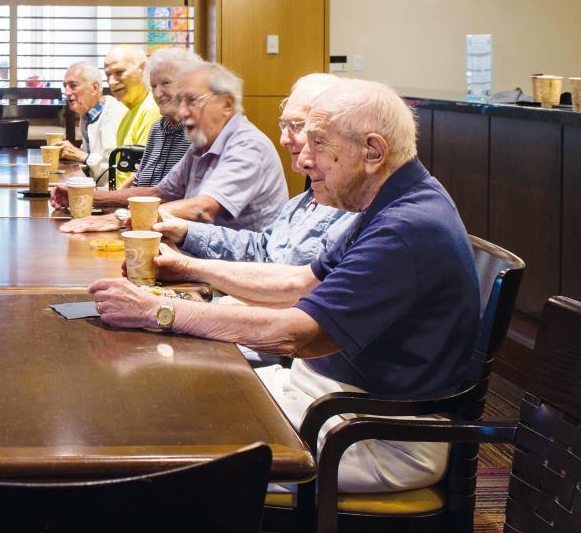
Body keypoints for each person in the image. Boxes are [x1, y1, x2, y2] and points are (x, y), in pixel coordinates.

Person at [88, 79, 481, 493]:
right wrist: (188, 268)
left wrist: (159, 311)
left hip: (374, 433)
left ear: (372, 152)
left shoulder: (405, 226)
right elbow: (298, 281)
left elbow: (298, 335)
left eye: (317, 144)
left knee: (170, 456)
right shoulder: (390, 201)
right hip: (321, 396)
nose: (301, 161)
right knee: (164, 397)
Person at [156, 72, 360, 265]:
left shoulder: (354, 207)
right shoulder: (304, 200)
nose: (283, 140)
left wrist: (189, 267)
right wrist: (185, 231)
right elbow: (262, 247)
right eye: (284, 126)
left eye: (297, 126)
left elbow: (300, 286)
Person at [57, 62, 287, 233]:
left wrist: (122, 218)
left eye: (192, 101)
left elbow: (202, 209)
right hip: (203, 258)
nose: (183, 111)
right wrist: (88, 197)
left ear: (226, 104)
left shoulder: (247, 145)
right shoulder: (202, 144)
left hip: (237, 274)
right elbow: (158, 193)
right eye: (181, 101)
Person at [128, 47, 199, 189]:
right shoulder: (157, 128)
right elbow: (139, 180)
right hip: (141, 208)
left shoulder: (198, 131)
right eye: (153, 87)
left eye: (165, 83)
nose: (158, 93)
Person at [56, 61, 126, 184]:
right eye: (65, 86)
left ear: (94, 88)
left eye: (73, 86)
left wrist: (81, 156)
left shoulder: (114, 114)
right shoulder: (87, 114)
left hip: (111, 193)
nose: (66, 92)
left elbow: (114, 171)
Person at [103, 45, 161, 185]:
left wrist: (109, 201)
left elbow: (141, 175)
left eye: (119, 72)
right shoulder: (128, 113)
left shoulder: (153, 109)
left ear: (143, 68)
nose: (112, 82)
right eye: (108, 75)